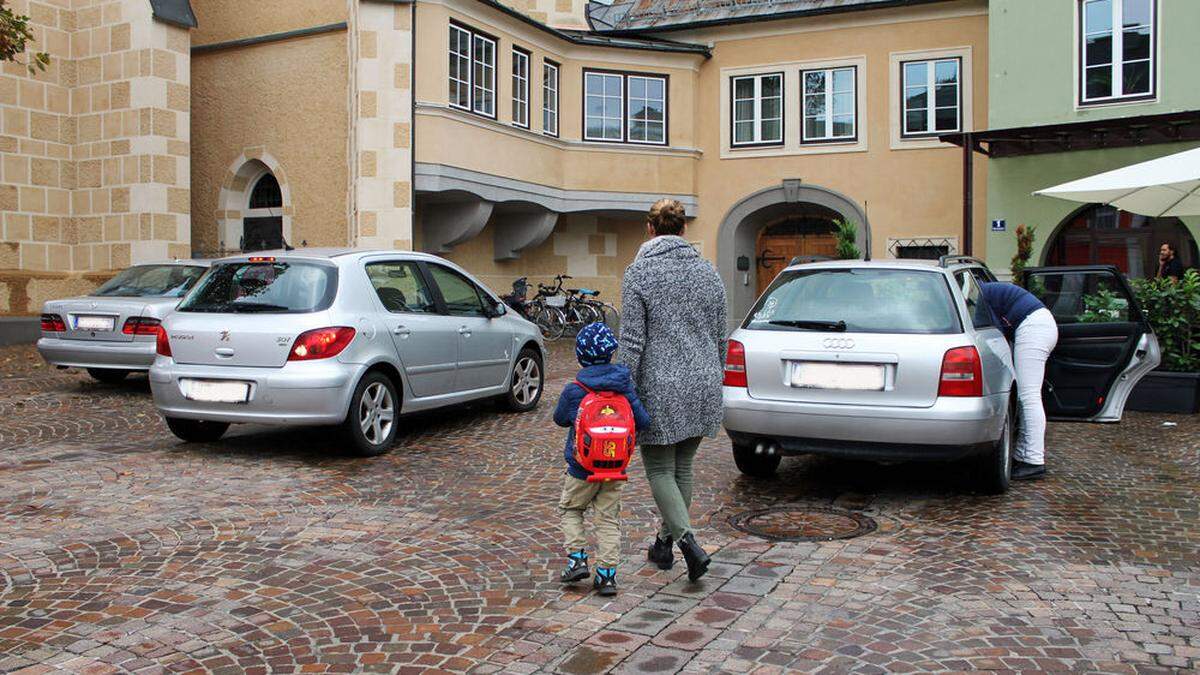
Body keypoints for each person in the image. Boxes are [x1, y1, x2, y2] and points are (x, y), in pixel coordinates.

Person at [619, 198, 727, 582]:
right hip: (703, 381)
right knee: (683, 466)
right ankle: (663, 544)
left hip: (660, 384)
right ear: (684, 230)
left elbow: (632, 340)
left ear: (650, 230)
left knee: (662, 469)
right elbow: (720, 336)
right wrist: (714, 376)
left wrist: (621, 387)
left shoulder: (640, 272)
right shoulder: (709, 273)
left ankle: (687, 542)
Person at [554, 322, 651, 597]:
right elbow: (643, 421)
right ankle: (607, 576)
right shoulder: (624, 386)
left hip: (580, 468)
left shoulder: (575, 389)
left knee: (571, 510)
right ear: (611, 354)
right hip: (615, 469)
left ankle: (577, 559)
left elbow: (560, 419)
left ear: (581, 356)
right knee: (608, 520)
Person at [981, 282, 1059, 481]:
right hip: (1038, 324)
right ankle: (1023, 455)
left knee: (1028, 396)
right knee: (1028, 396)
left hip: (1033, 328)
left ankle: (1033, 461)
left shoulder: (978, 296)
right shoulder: (984, 288)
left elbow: (995, 333)